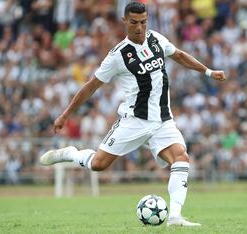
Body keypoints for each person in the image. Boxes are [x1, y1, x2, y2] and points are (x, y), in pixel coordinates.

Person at [40, 1, 226, 227]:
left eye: (143, 22)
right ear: (125, 21)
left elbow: (179, 55)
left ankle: (175, 217)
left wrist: (208, 71)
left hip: (162, 121)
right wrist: (65, 114)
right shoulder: (118, 55)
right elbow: (90, 86)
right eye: (134, 22)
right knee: (98, 165)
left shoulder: (156, 38)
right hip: (134, 120)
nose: (140, 27)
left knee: (181, 158)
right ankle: (70, 153)